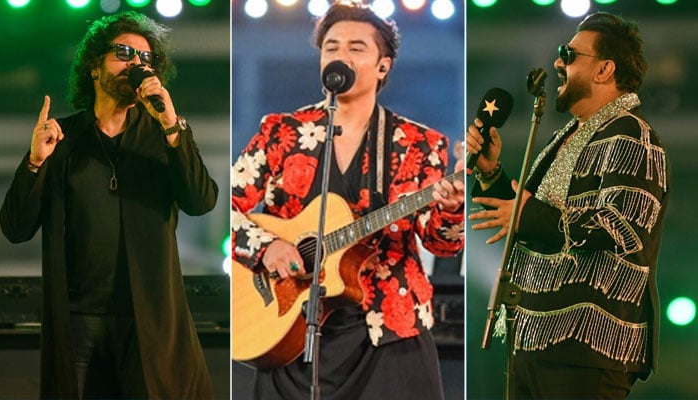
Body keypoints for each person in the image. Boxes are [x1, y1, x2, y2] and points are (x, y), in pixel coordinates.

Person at [231, 2, 465, 399]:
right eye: (331, 47)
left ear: (383, 66)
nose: (341, 55)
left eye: (356, 48)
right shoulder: (281, 132)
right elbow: (225, 205)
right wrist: (267, 247)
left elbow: (440, 242)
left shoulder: (418, 144)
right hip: (290, 332)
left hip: (390, 335)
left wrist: (452, 206)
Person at [0, 11, 218, 399]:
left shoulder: (163, 136)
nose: (136, 64)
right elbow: (15, 228)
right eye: (123, 53)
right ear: (94, 67)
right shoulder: (63, 140)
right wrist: (34, 162)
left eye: (145, 59)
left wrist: (172, 126)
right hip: (79, 319)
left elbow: (201, 201)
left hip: (149, 319)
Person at [467, 12, 669, 399]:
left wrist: (526, 214)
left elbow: (621, 228)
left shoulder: (631, 135)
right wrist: (492, 175)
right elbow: (530, 220)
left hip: (586, 347)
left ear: (604, 69)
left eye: (569, 53)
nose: (558, 62)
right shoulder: (571, 135)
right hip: (535, 337)